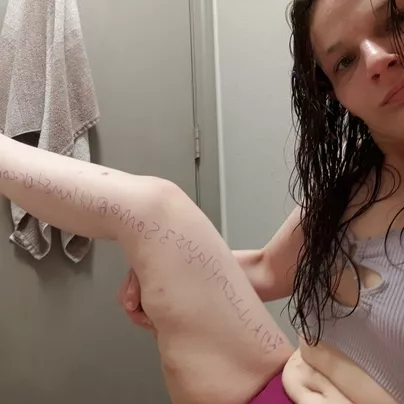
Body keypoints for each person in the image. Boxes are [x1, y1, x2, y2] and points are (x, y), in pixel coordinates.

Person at [0, 0, 403, 402]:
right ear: (333, 93)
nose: (376, 61)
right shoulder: (351, 191)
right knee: (155, 213)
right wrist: (170, 266)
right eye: (345, 61)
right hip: (289, 388)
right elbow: (267, 268)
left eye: (396, 21)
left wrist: (328, 368)